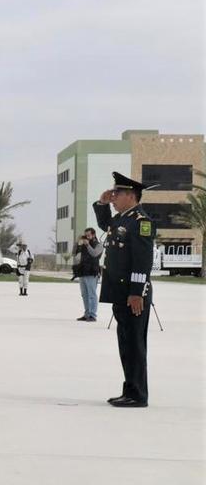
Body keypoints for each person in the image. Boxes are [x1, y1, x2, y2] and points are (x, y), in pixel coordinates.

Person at [94, 171, 156, 408]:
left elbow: (142, 261)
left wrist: (136, 293)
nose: (113, 197)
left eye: (117, 193)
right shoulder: (122, 219)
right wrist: (102, 203)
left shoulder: (141, 222)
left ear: (131, 195)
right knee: (126, 345)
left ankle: (138, 394)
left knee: (134, 346)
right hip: (121, 294)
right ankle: (130, 390)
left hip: (133, 295)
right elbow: (105, 224)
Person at [73, 228, 104, 322]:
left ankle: (92, 315)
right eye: (85, 235)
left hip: (92, 272)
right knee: (84, 295)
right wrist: (77, 242)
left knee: (92, 294)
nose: (87, 237)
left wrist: (87, 245)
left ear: (93, 235)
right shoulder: (83, 244)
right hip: (82, 272)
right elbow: (74, 253)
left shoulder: (99, 245)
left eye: (88, 235)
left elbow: (94, 254)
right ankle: (87, 314)